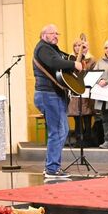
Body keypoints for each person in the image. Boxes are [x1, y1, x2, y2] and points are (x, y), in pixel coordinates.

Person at [32, 24, 83, 179]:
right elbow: (55, 62)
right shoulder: (43, 48)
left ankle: (52, 166)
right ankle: (52, 169)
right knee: (58, 131)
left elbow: (65, 58)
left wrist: (80, 54)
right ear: (44, 35)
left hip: (53, 95)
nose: (56, 36)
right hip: (48, 95)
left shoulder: (52, 49)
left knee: (61, 130)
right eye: (52, 33)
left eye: (57, 34)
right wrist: (74, 64)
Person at [67, 38, 96, 147]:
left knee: (87, 116)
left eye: (80, 45)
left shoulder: (91, 59)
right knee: (77, 117)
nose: (78, 48)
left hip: (86, 90)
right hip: (75, 90)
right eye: (75, 45)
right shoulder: (71, 59)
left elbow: (93, 72)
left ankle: (88, 139)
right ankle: (79, 139)